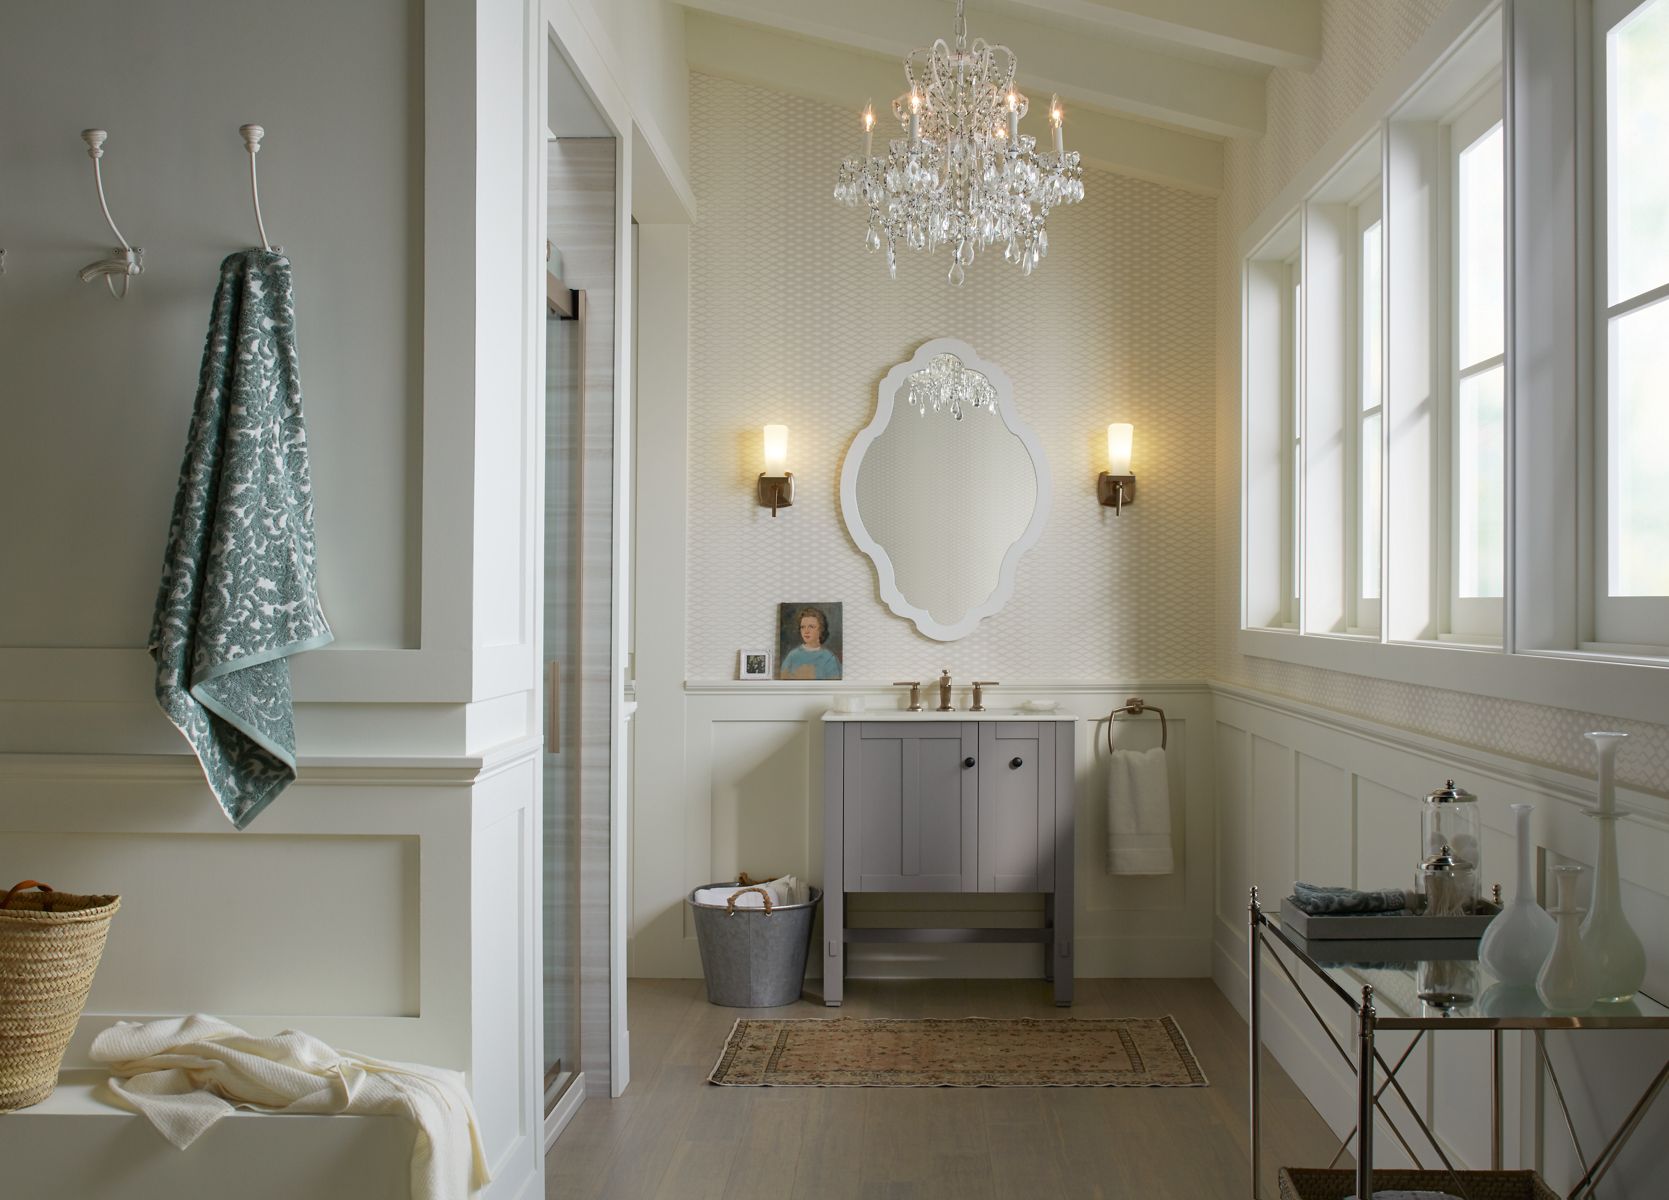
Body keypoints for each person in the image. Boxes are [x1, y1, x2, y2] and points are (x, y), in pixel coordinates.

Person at [779, 606, 841, 679]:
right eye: (803, 627)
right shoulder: (792, 656)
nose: (806, 631)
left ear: (821, 629)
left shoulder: (829, 658)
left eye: (811, 626)